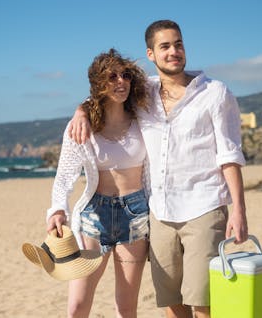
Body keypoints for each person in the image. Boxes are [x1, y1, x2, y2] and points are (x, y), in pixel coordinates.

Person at [69, 20, 248, 318]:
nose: (173, 51)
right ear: (151, 54)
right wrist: (81, 110)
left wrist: (239, 209)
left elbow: (229, 154)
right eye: (165, 46)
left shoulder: (215, 93)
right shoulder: (144, 94)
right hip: (159, 212)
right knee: (171, 301)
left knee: (203, 300)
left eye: (178, 44)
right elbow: (108, 93)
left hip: (204, 206)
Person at [47, 48, 151, 318]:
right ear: (98, 84)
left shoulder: (144, 117)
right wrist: (58, 209)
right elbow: (64, 176)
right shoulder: (82, 126)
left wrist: (80, 107)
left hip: (136, 215)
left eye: (125, 75)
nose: (121, 82)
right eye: (112, 76)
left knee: (127, 308)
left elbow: (163, 83)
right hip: (94, 216)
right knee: (78, 306)